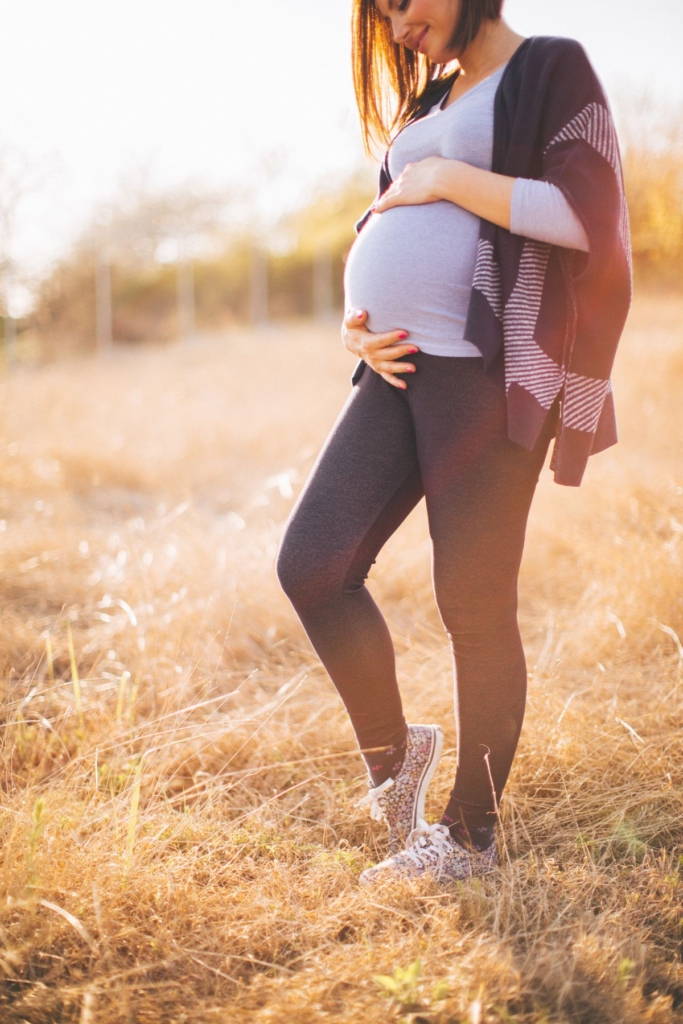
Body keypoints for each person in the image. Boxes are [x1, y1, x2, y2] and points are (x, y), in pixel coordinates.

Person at [276, 0, 631, 886]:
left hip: (486, 369)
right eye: (379, 15)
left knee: (472, 607)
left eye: (401, 2)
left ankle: (469, 838)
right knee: (312, 566)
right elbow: (386, 219)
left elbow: (586, 216)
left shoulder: (549, 68)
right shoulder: (430, 98)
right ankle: (397, 758)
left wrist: (443, 178)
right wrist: (355, 328)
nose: (394, 27)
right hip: (396, 369)